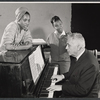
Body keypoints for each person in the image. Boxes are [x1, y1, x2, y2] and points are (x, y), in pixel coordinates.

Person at [46, 33, 100, 98]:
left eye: (69, 45)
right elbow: (75, 72)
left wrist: (61, 87)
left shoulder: (90, 64)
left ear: (78, 48)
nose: (66, 48)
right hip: (76, 87)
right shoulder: (76, 56)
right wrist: (63, 76)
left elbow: (82, 90)